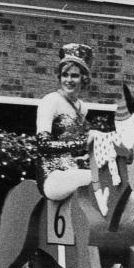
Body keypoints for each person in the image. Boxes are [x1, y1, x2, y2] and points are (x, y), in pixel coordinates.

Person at [35, 43, 94, 203]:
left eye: (74, 75)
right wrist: (82, 142)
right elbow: (43, 144)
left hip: (72, 169)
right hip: (52, 174)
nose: (68, 80)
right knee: (94, 178)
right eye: (64, 75)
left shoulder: (83, 107)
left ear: (84, 78)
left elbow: (76, 148)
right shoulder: (51, 100)